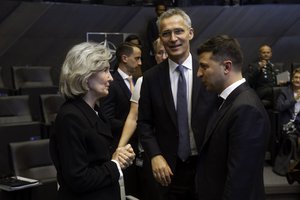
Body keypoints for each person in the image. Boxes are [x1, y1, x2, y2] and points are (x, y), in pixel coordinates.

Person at [138, 8, 216, 200]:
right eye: (166, 33)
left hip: (206, 166)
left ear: (190, 33)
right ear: (160, 38)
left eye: (178, 31)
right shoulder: (150, 78)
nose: (173, 38)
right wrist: (154, 155)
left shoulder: (209, 71)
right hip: (168, 170)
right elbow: (144, 124)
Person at [49, 42, 135, 200]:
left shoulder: (95, 110)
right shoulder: (70, 117)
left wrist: (118, 155)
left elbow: (98, 158)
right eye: (105, 70)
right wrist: (115, 164)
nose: (110, 77)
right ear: (85, 75)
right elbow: (78, 178)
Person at [196, 35, 270, 200]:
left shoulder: (246, 109)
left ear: (226, 67)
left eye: (204, 67)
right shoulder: (228, 100)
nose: (198, 74)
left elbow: (239, 183)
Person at [118, 37, 167, 200]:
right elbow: (133, 116)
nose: (164, 56)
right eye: (160, 53)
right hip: (152, 153)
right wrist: (120, 147)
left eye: (166, 52)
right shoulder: (144, 80)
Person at [100, 41, 141, 198]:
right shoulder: (111, 82)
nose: (140, 63)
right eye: (137, 58)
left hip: (138, 149)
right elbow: (108, 119)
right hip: (120, 146)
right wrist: (134, 124)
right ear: (124, 58)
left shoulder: (138, 81)